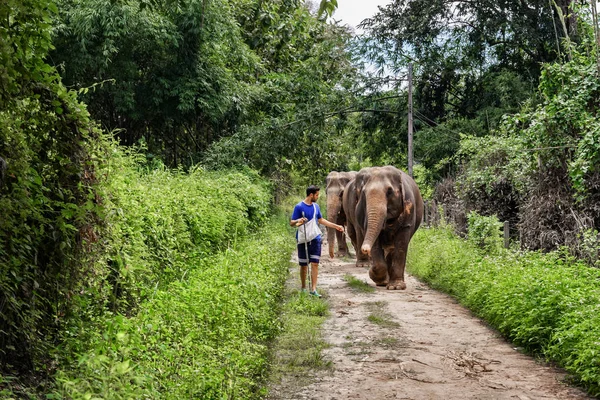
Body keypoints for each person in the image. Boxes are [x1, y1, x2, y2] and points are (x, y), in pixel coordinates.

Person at [290, 185, 344, 297]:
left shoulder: (316, 207)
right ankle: (304, 287)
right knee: (304, 265)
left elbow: (321, 220)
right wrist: (299, 221)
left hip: (315, 238)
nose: (318, 197)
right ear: (311, 195)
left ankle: (314, 289)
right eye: (317, 195)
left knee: (315, 263)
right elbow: (292, 224)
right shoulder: (299, 207)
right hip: (303, 239)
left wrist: (335, 226)